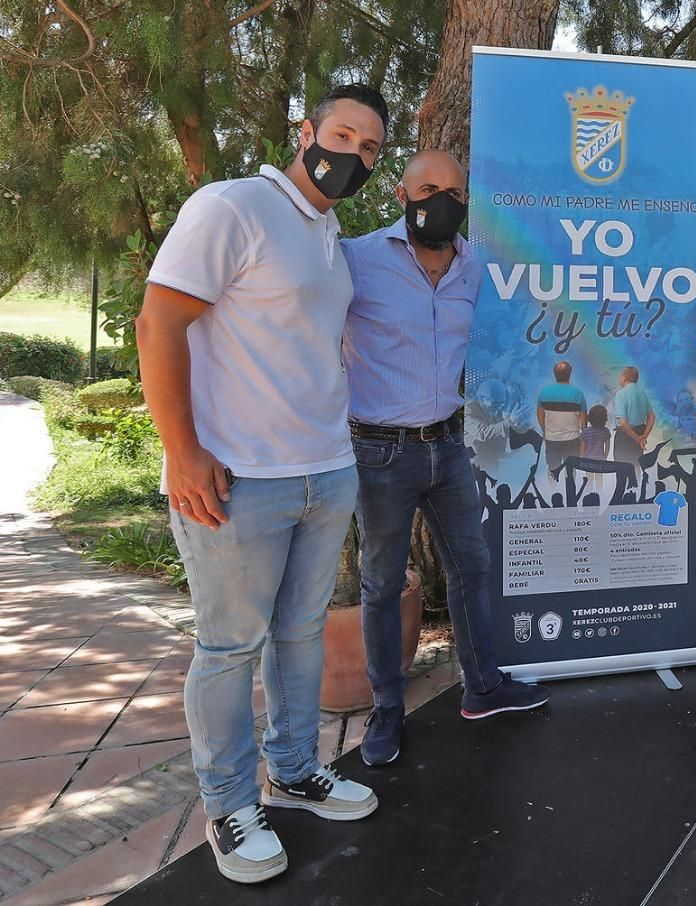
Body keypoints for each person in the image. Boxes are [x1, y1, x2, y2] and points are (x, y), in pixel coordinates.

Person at [136, 84, 388, 885]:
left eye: (371, 148)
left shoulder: (325, 227)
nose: (354, 154)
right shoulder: (233, 206)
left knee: (298, 636)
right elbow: (157, 323)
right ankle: (229, 805)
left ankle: (294, 771)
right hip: (241, 480)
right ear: (306, 130)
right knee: (228, 648)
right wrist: (181, 451)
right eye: (342, 134)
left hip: (324, 471)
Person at [340, 150, 551, 768]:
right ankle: (386, 710)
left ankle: (482, 687)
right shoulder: (358, 259)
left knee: (472, 567)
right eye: (428, 188)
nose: (441, 199)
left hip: (448, 446)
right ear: (402, 195)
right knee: (381, 585)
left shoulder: (474, 268)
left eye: (454, 191)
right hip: (376, 451)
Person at [537, 361, 587, 479]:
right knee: (571, 471)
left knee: (552, 470)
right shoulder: (578, 394)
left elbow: (540, 416)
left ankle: (552, 494)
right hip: (573, 439)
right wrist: (584, 440)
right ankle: (570, 494)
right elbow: (583, 421)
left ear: (555, 374)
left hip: (552, 439)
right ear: (570, 374)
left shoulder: (544, 393)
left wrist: (545, 431)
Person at [612, 365, 654, 465]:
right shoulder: (642, 394)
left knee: (621, 469)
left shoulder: (621, 394)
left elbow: (622, 423)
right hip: (640, 433)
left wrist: (637, 439)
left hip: (625, 437)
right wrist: (644, 436)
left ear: (623, 377)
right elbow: (652, 417)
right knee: (636, 468)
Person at [579, 404, 612, 498]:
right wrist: (605, 456)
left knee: (589, 480)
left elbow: (582, 446)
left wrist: (581, 458)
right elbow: (607, 446)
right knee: (599, 479)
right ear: (604, 419)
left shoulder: (585, 431)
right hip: (600, 460)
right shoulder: (605, 431)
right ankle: (599, 496)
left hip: (587, 460)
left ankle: (588, 496)